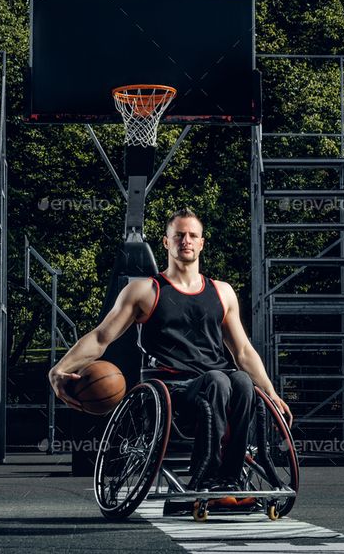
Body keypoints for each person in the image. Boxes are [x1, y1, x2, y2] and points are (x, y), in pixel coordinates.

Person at [49, 207, 292, 494]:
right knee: (220, 379)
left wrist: (272, 393)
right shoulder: (144, 291)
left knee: (239, 379)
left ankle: (229, 477)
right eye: (179, 235)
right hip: (171, 392)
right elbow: (102, 337)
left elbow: (242, 352)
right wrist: (59, 370)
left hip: (218, 385)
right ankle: (206, 477)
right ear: (166, 242)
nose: (186, 241)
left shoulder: (222, 292)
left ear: (202, 243)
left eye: (192, 235)